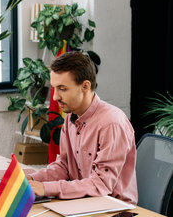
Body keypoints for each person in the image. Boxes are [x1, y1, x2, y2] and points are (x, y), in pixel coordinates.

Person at [27, 51, 137, 204]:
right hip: (84, 201)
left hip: (113, 209)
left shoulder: (112, 123)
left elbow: (101, 184)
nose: (55, 97)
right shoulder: (70, 116)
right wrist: (32, 179)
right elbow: (64, 166)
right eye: (54, 88)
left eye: (62, 89)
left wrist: (46, 188)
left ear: (85, 86)